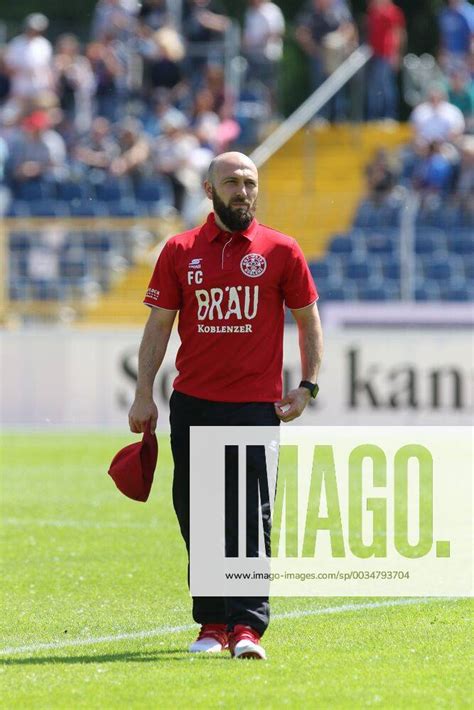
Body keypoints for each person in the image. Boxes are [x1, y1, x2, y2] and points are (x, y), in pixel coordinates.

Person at [128, 151, 323, 660]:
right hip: (192, 405)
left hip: (255, 407)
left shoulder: (282, 250)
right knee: (198, 515)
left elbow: (308, 319)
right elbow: (158, 327)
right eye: (232, 182)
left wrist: (308, 385)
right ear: (209, 191)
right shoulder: (179, 250)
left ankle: (247, 628)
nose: (243, 190)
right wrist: (143, 390)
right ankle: (212, 623)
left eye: (250, 182)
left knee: (249, 518)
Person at [365, 0, 406, 121]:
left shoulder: (393, 11)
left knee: (386, 87)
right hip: (374, 55)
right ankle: (373, 117)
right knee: (374, 88)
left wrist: (396, 54)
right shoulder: (373, 11)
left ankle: (389, 116)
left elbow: (398, 33)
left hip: (387, 55)